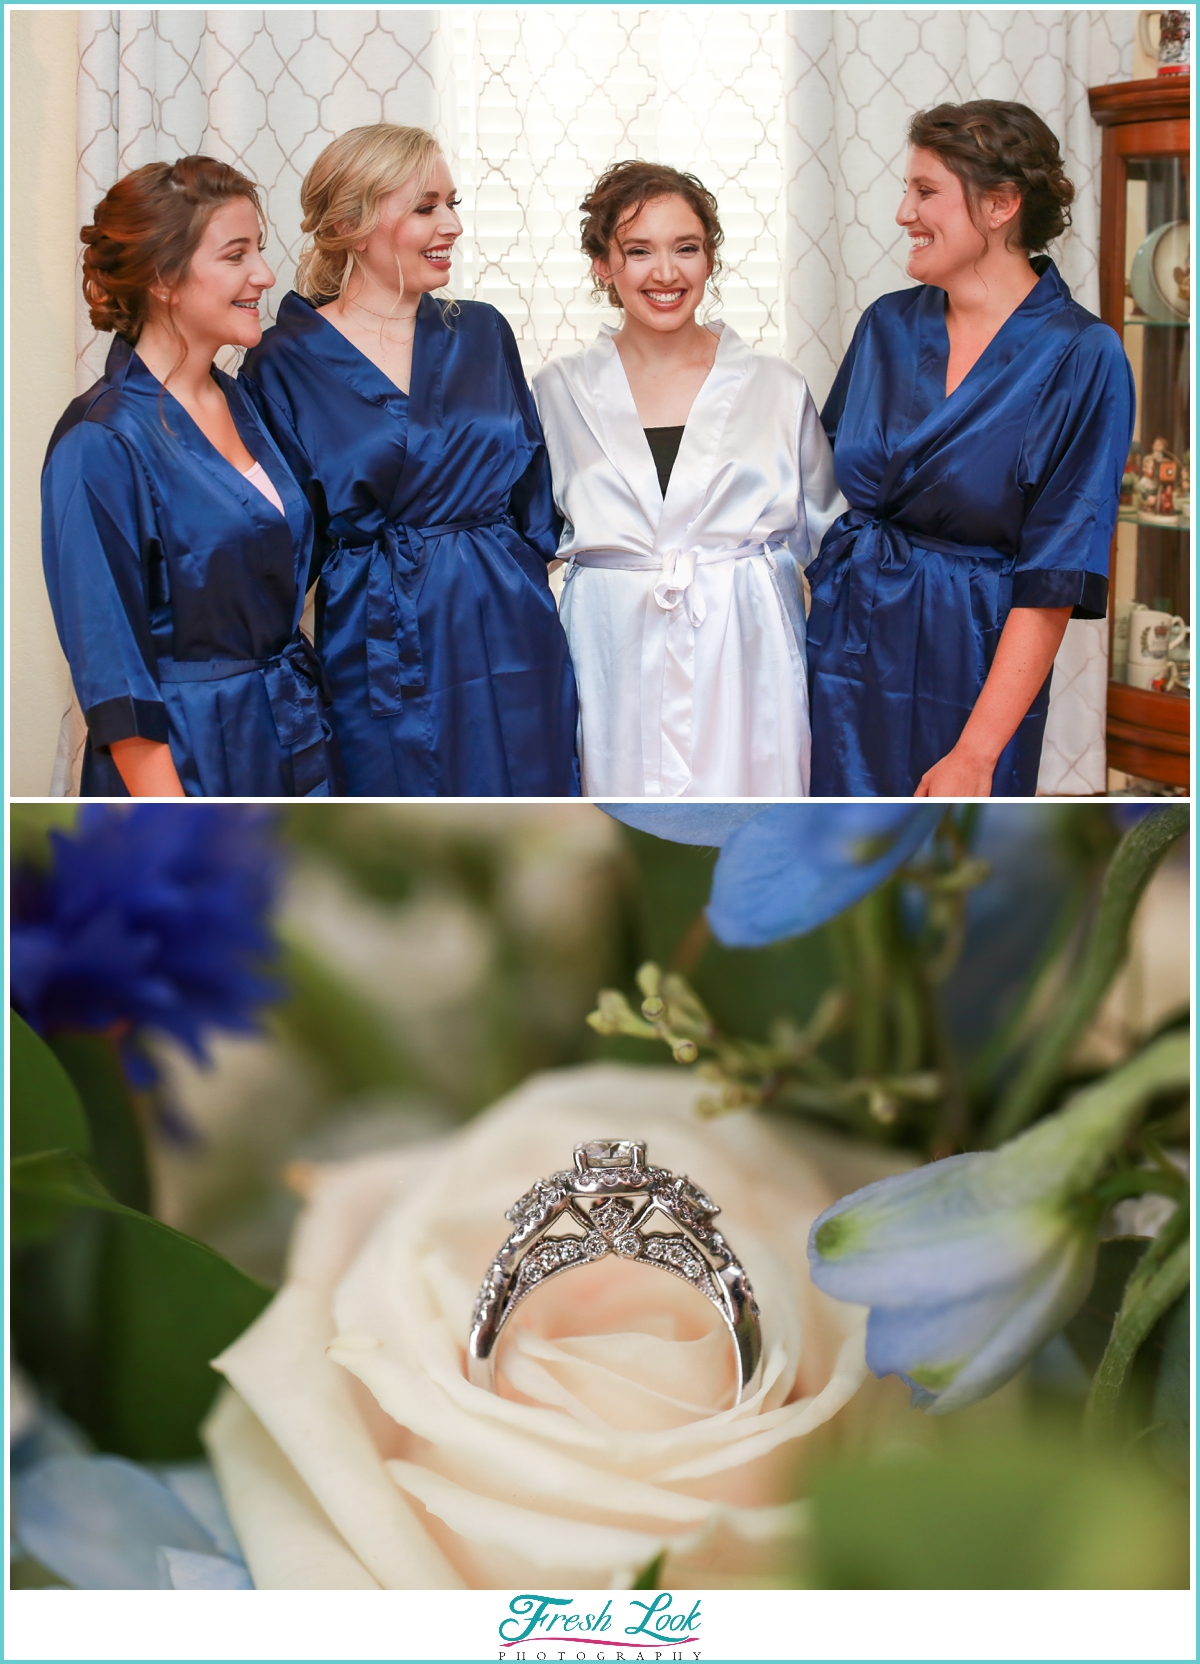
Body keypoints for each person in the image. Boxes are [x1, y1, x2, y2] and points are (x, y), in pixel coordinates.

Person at [806, 100, 1135, 798]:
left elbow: (1056, 578)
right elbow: (823, 488)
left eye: (925, 191)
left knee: (951, 886)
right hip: (847, 653)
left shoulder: (1083, 356)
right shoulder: (887, 326)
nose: (903, 212)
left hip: (972, 667)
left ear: (1000, 205)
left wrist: (978, 754)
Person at [239, 124, 578, 797]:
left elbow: (532, 498)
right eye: (426, 207)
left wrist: (505, 575)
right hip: (376, 637)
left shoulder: (482, 331)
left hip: (509, 623)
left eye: (454, 203)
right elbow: (283, 538)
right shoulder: (282, 361)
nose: (450, 225)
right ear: (350, 224)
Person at [533, 162, 844, 798]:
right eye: (639, 251)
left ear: (710, 259)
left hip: (748, 645)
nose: (666, 273)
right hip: (610, 646)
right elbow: (521, 538)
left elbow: (832, 543)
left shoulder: (776, 388)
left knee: (748, 818)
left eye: (687, 249)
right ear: (603, 264)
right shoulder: (555, 392)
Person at [42, 157, 337, 798]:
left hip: (290, 739)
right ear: (164, 280)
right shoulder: (100, 441)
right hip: (184, 764)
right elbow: (113, 676)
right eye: (236, 255)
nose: (263, 273)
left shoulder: (248, 404)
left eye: (258, 249)